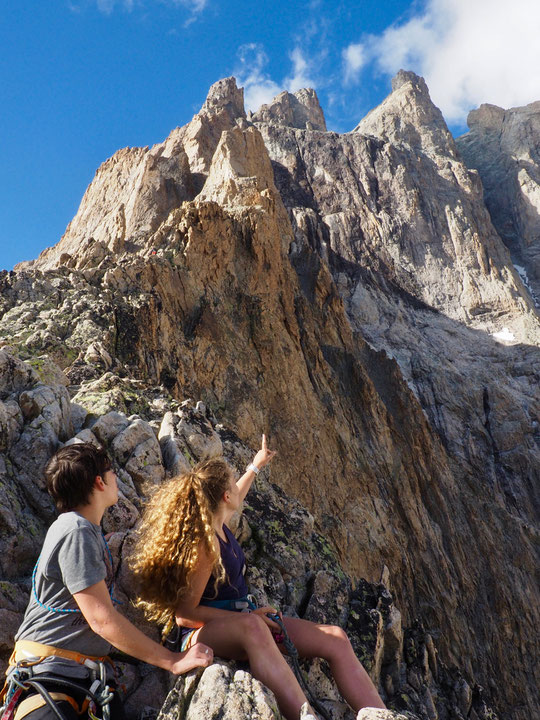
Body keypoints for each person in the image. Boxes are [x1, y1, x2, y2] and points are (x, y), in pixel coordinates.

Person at [131, 435, 386, 720]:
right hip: (199, 634)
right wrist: (243, 618)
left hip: (244, 620)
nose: (235, 490)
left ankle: (382, 715)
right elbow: (185, 615)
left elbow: (239, 492)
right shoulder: (206, 545)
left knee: (335, 638)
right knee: (254, 627)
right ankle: (306, 715)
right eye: (231, 483)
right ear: (224, 498)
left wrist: (256, 465)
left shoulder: (219, 524)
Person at [1, 443, 213, 720]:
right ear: (99, 482)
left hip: (78, 680)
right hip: (51, 678)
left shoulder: (82, 530)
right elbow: (102, 620)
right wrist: (172, 660)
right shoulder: (76, 532)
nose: (115, 479)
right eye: (111, 471)